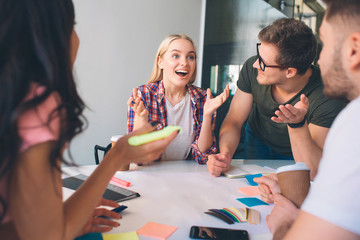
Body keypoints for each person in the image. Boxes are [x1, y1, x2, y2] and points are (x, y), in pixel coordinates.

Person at [0, 1, 177, 239]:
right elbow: (47, 235)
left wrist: (67, 219)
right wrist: (117, 156)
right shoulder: (40, 106)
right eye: (72, 25)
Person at [256, 1, 360, 239]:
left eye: (326, 44)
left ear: (353, 49)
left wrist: (286, 223)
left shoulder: (355, 122)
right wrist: (299, 196)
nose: (320, 61)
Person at [207, 18, 345, 179]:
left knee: (291, 193)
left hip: (296, 150)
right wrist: (225, 154)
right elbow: (234, 120)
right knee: (255, 188)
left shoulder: (328, 94)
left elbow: (312, 170)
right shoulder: (253, 69)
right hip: (258, 137)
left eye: (263, 63)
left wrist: (298, 123)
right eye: (258, 55)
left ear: (290, 72)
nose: (255, 65)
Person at [127, 34, 229, 164]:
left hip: (185, 177)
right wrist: (141, 118)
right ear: (160, 61)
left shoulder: (203, 98)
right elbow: (136, 158)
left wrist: (207, 115)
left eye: (190, 57)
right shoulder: (143, 96)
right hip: (149, 176)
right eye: (176, 56)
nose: (184, 63)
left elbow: (202, 156)